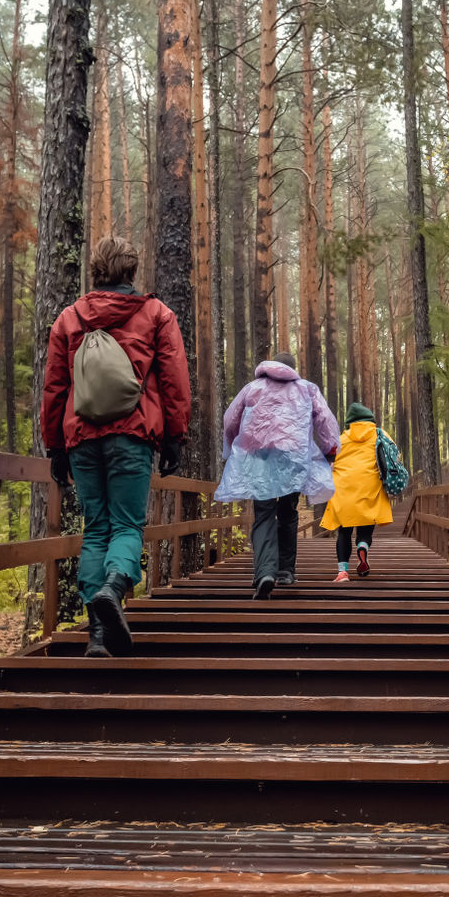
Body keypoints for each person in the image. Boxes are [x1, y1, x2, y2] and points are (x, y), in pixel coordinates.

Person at [41, 235, 191, 656]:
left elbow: (55, 386)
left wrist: (55, 445)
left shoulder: (69, 319)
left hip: (82, 437)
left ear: (96, 269)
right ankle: (115, 585)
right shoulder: (156, 314)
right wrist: (174, 437)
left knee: (96, 529)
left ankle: (97, 636)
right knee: (127, 525)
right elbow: (174, 380)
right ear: (131, 269)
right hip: (133, 433)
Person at [215, 352, 339, 598]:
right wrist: (330, 450)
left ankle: (264, 572)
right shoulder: (307, 389)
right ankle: (285, 571)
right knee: (288, 513)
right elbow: (324, 419)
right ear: (293, 369)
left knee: (263, 514)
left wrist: (231, 448)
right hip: (293, 457)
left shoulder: (252, 388)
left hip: (259, 457)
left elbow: (230, 419)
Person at [321, 402, 393, 581]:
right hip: (370, 488)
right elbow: (393, 455)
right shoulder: (380, 434)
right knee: (365, 528)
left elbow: (327, 459)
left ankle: (342, 572)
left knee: (344, 531)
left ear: (349, 422)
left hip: (344, 491)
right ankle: (363, 546)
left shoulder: (341, 438)